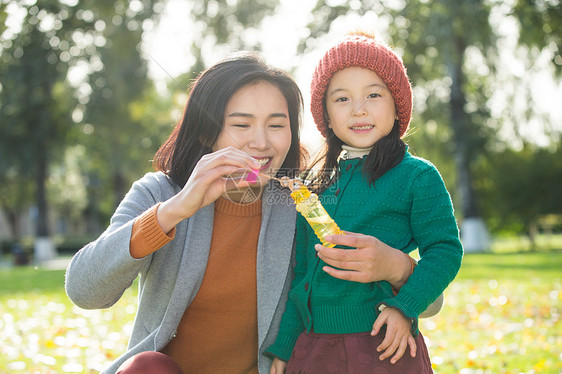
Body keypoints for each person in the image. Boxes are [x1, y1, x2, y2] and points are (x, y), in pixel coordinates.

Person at [65, 52, 422, 374]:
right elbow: (85, 290)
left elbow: (430, 301)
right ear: (208, 131)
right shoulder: (158, 192)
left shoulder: (303, 203)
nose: (261, 142)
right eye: (241, 124)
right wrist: (174, 211)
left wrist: (397, 267)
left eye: (276, 125)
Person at [266, 32, 464, 374]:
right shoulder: (317, 188)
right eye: (342, 99)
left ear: (397, 104)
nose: (359, 109)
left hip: (384, 342)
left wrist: (405, 307)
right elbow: (302, 276)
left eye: (373, 95)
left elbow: (445, 250)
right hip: (313, 348)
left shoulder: (416, 176)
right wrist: (286, 346)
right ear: (326, 115)